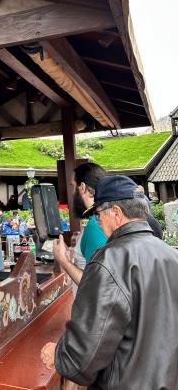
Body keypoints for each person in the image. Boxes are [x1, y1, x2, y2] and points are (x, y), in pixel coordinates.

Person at [43, 175, 178, 389]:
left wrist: (59, 355)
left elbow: (85, 356)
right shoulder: (171, 255)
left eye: (98, 214)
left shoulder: (110, 261)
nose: (97, 221)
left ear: (116, 212)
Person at [53, 163, 107, 287]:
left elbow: (96, 284)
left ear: (82, 187)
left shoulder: (95, 225)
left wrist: (63, 260)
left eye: (73, 186)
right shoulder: (101, 217)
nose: (72, 192)